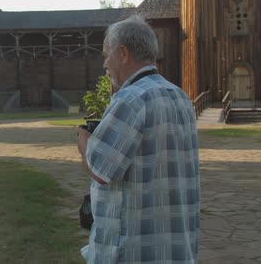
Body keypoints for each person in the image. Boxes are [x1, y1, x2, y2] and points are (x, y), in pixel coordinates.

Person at [77, 15, 200, 263]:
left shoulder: (130, 99)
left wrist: (84, 141)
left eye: (106, 55)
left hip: (132, 249)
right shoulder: (180, 97)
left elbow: (101, 170)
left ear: (123, 53)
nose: (105, 64)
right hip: (174, 246)